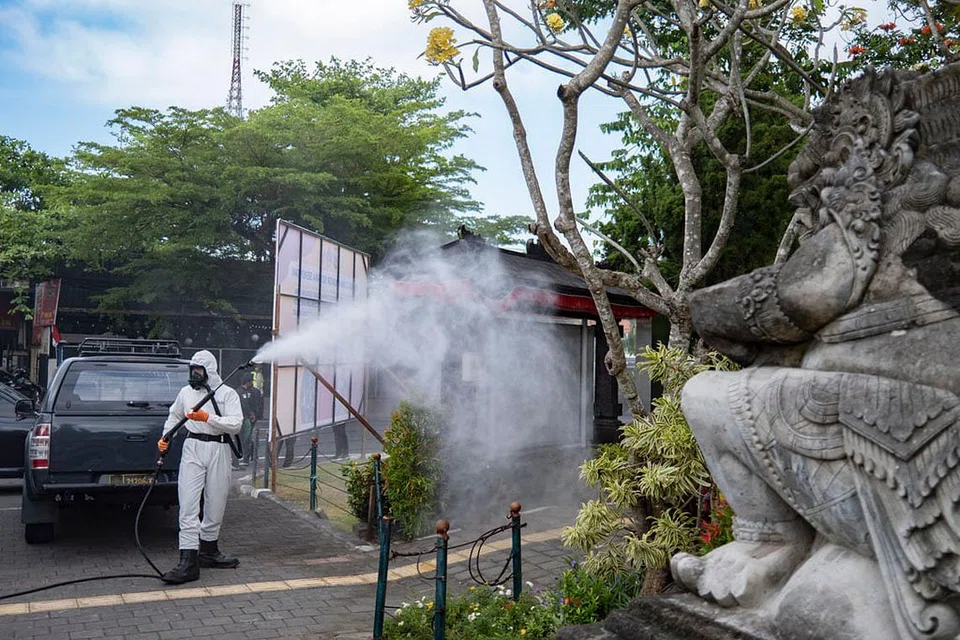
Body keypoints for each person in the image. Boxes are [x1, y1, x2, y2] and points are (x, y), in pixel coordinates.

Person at [157, 350, 243, 584]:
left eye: (199, 370)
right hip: (193, 447)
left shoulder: (227, 393)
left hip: (219, 448)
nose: (194, 374)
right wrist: (166, 436)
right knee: (188, 503)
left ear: (209, 371)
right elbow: (174, 416)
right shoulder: (186, 393)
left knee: (216, 501)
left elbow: (236, 424)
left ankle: (208, 551)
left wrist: (208, 418)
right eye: (192, 369)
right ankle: (187, 561)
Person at [235, 373, 262, 469]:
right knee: (243, 438)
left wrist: (253, 415)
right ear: (247, 382)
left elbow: (257, 404)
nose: (252, 383)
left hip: (248, 418)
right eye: (251, 381)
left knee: (246, 438)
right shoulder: (238, 392)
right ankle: (247, 455)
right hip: (242, 417)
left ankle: (246, 457)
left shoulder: (254, 392)